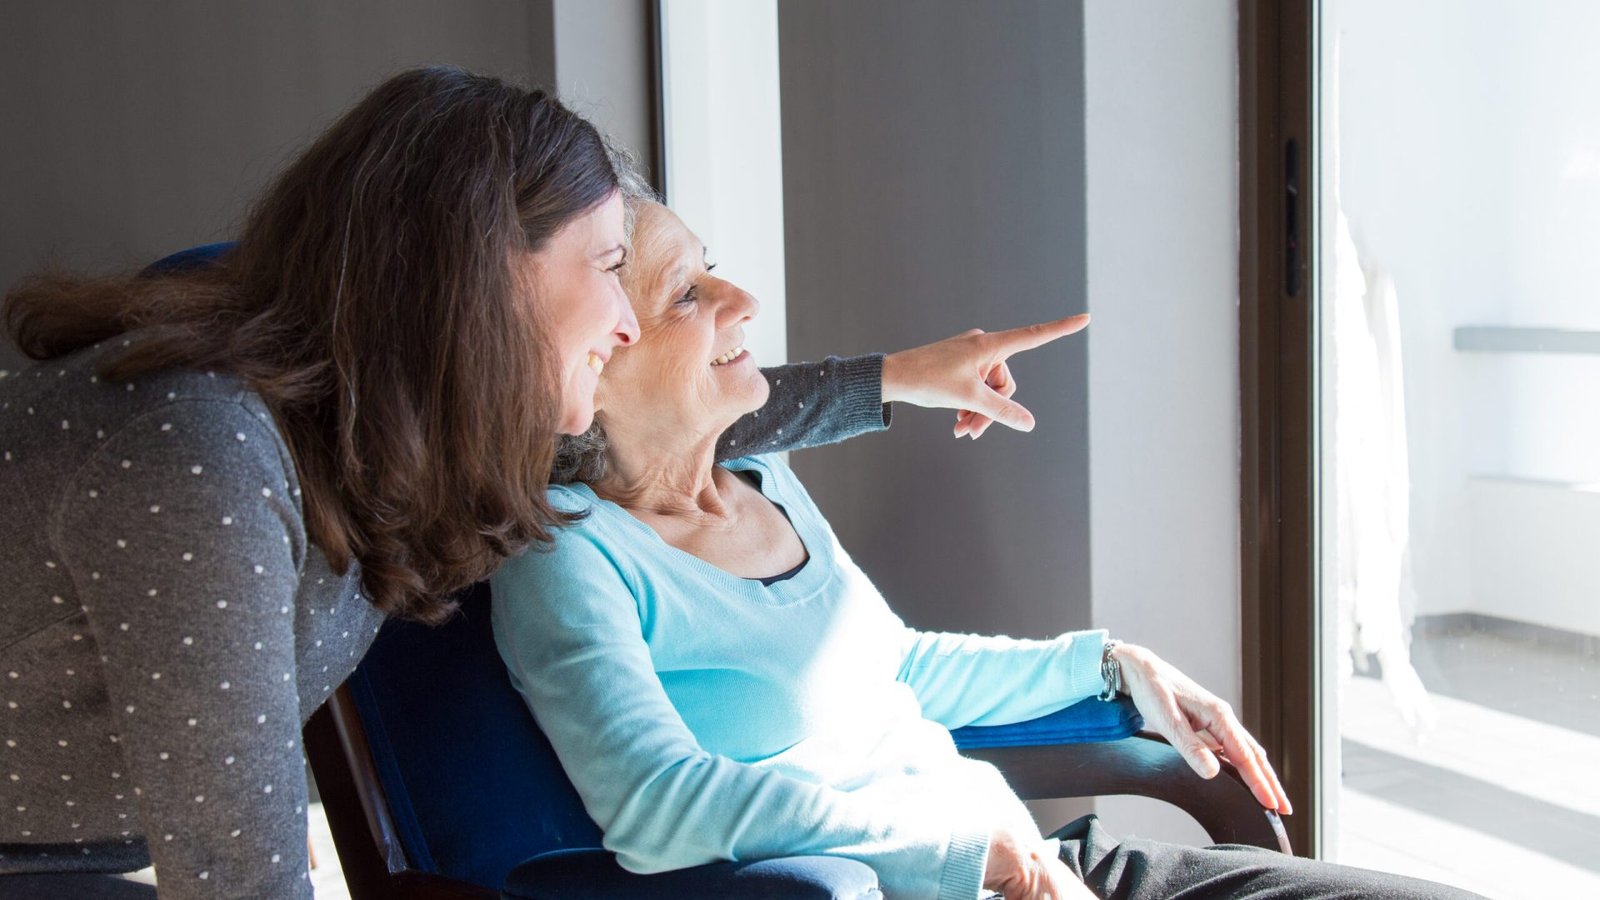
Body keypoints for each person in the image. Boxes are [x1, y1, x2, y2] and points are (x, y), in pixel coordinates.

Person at [0, 67, 1048, 899]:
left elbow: (655, 419)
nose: (628, 324)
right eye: (609, 268)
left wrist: (891, 381)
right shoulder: (202, 457)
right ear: (485, 277)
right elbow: (238, 882)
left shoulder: (399, 429)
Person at [490, 200, 1488, 900]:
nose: (740, 299)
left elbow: (896, 670)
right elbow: (659, 806)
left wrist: (1109, 665)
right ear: (595, 357)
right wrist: (968, 848)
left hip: (1037, 865)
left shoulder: (761, 481)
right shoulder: (571, 555)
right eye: (685, 295)